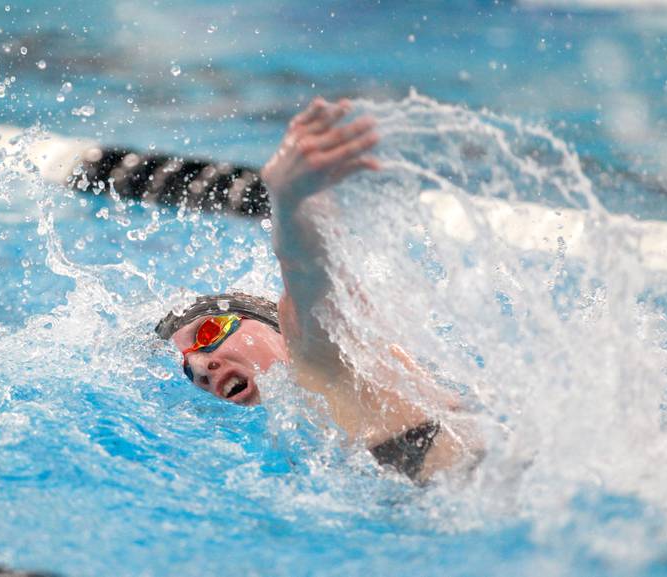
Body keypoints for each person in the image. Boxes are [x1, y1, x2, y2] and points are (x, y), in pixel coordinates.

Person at [157, 98, 481, 483]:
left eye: (208, 334)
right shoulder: (319, 400)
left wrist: (290, 202)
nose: (200, 367)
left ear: (270, 321)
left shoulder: (321, 353)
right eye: (187, 368)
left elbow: (306, 270)